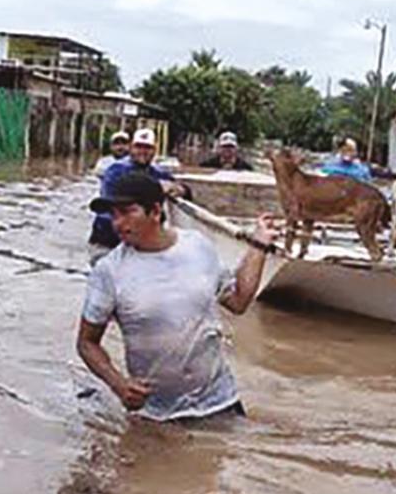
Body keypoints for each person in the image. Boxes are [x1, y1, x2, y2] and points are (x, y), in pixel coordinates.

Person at [77, 171, 278, 421]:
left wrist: (259, 246)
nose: (118, 223)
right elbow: (87, 343)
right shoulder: (108, 272)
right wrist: (118, 384)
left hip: (220, 403)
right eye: (114, 214)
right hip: (155, 415)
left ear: (156, 210)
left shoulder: (198, 246)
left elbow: (238, 301)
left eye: (127, 212)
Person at [88, 128, 184, 261]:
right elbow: (111, 201)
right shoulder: (116, 171)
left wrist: (179, 189)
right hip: (108, 238)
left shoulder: (158, 172)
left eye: (148, 147)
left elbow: (182, 189)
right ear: (131, 148)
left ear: (155, 150)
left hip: (140, 241)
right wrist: (156, 189)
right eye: (139, 146)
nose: (143, 151)